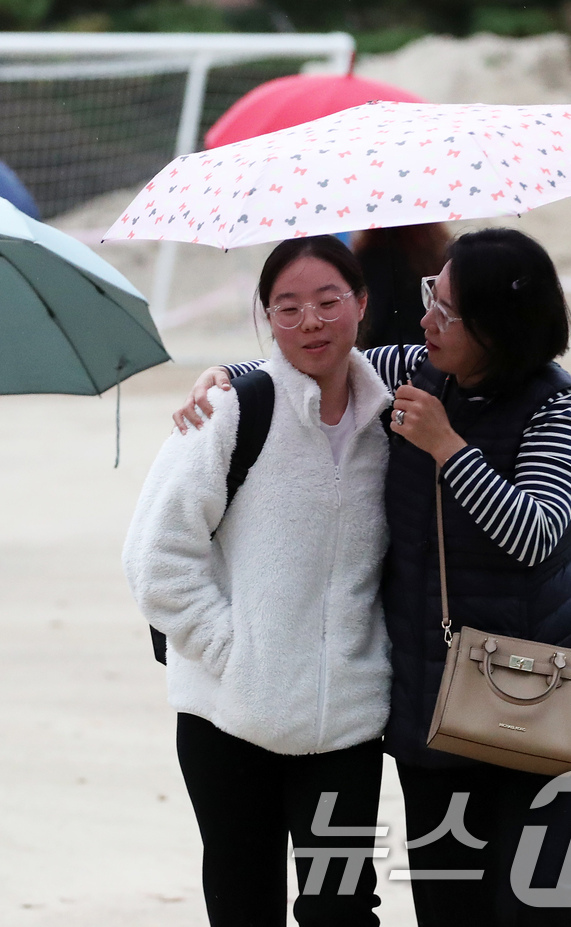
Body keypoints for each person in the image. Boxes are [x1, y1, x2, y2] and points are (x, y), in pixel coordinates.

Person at [175, 228, 571, 925]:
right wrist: (228, 376)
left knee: (542, 902)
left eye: (446, 312)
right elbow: (316, 362)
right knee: (450, 902)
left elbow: (536, 534)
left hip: (535, 698)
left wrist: (446, 445)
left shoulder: (557, 408)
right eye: (427, 299)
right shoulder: (413, 367)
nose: (427, 322)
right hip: (431, 699)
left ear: (498, 328)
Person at [124, 236, 391, 926]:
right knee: (245, 907)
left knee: (343, 909)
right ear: (266, 317)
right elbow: (153, 554)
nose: (311, 322)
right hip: (228, 719)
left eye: (329, 301)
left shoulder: (394, 419)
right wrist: (231, 653)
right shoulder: (231, 411)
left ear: (361, 304)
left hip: (348, 725)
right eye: (288, 306)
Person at [351, 223, 450, 349]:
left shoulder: (374, 259)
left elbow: (372, 321)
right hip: (430, 347)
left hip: (390, 355)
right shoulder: (440, 252)